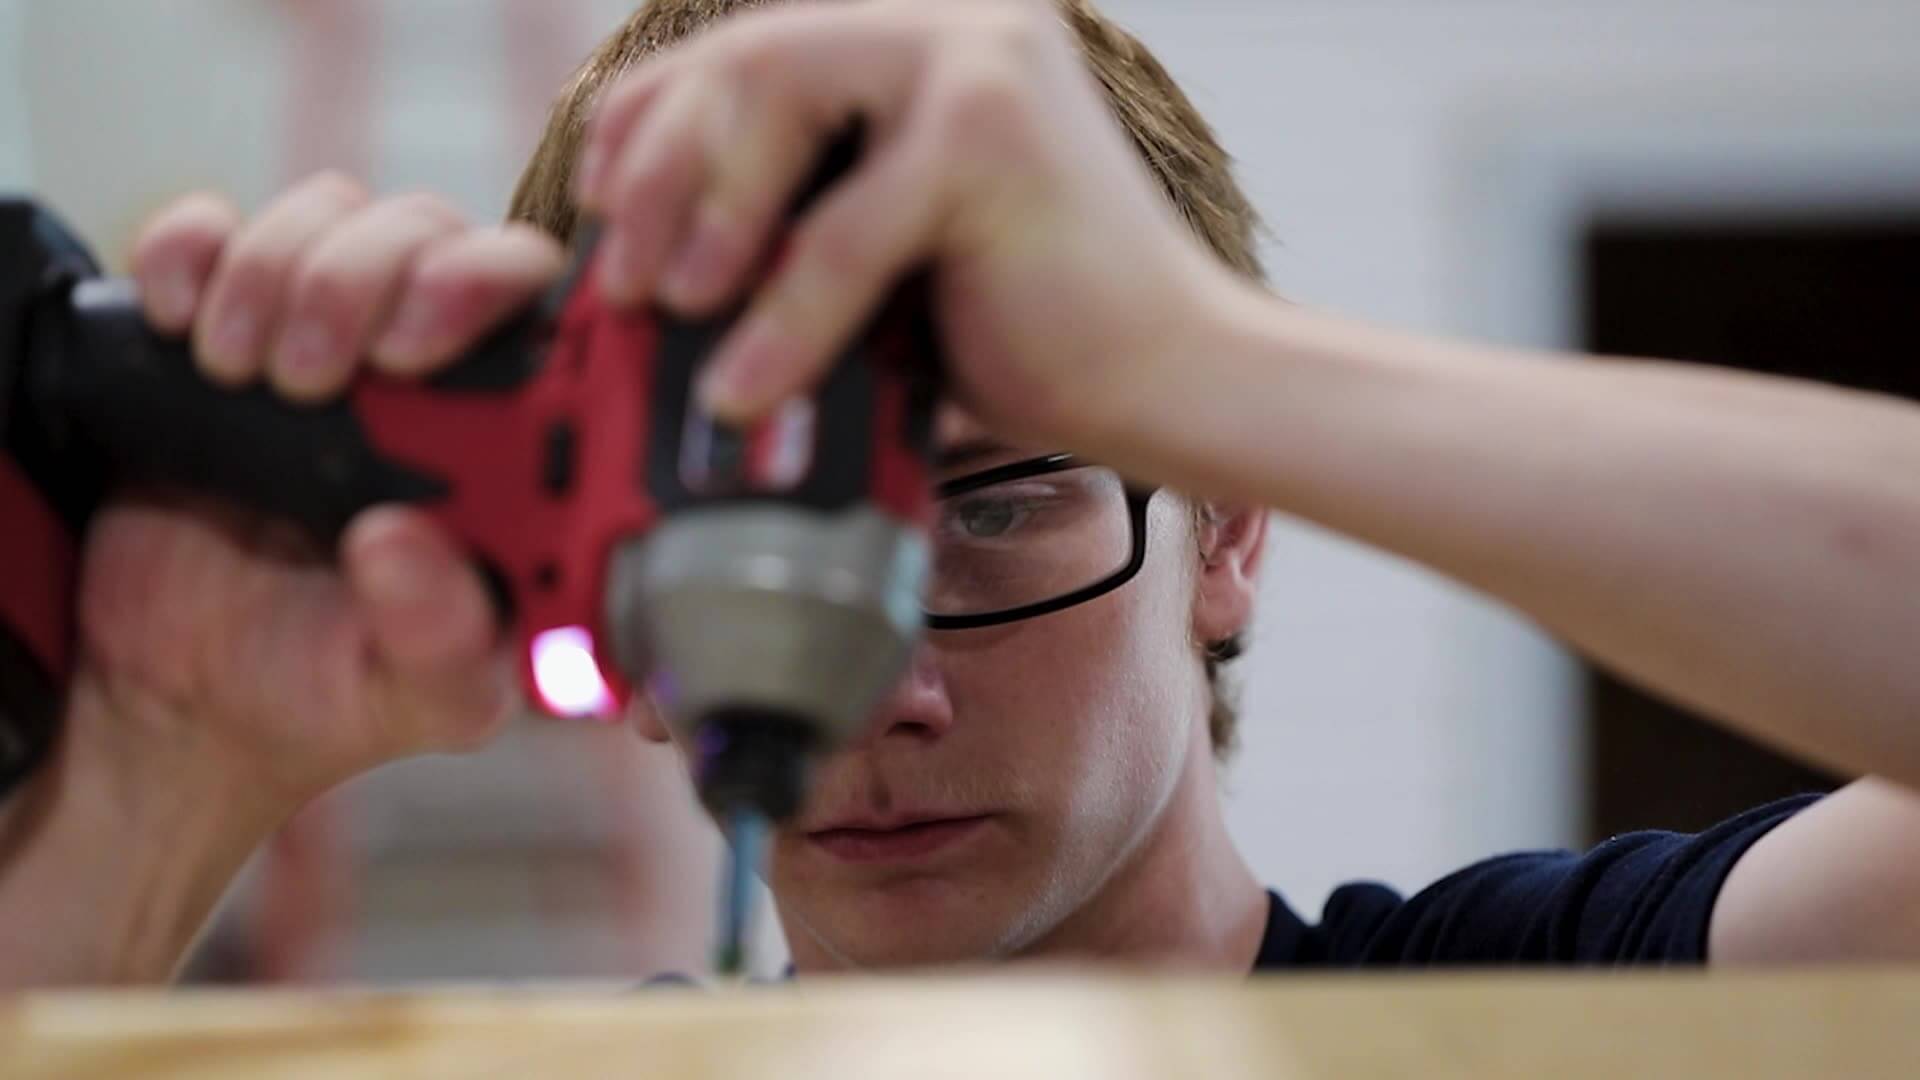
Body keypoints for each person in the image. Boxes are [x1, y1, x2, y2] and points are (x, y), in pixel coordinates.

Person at [7, 0, 1920, 984]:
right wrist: (173, 778)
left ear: (1225, 529)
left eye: (994, 504)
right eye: (730, 542)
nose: (873, 690)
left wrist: (1212, 375)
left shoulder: (1569, 1014)